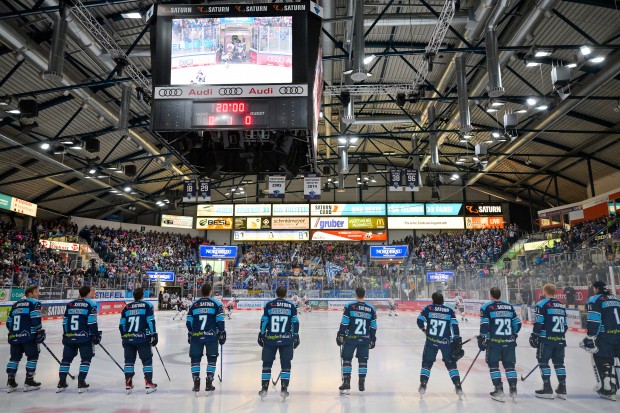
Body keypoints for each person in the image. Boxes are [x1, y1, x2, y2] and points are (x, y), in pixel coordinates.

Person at [478, 287, 522, 402]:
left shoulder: (486, 307)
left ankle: (499, 390)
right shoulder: (509, 307)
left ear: (491, 295)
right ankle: (513, 389)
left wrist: (482, 338)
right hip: (509, 342)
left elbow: (485, 325)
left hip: (494, 343)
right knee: (509, 366)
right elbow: (518, 323)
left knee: (493, 365)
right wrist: (514, 334)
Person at [416, 292, 463, 396]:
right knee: (451, 364)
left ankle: (423, 384)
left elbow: (419, 320)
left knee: (427, 363)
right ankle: (458, 385)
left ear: (433, 300)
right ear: (443, 300)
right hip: (446, 342)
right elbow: (454, 326)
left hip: (431, 341)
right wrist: (456, 339)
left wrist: (424, 330)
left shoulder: (428, 309)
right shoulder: (449, 311)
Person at [257, 286, 300, 400]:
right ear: (286, 294)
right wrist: (295, 335)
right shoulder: (291, 306)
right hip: (286, 339)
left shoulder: (269, 305)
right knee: (286, 364)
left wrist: (261, 333)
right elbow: (295, 322)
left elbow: (264, 320)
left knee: (267, 364)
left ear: (276, 293)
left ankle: (264, 388)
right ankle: (284, 388)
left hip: (270, 339)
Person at [57, 285, 101, 393]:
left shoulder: (70, 304)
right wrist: (96, 335)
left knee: (66, 360)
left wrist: (65, 334)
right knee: (86, 359)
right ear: (88, 293)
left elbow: (65, 322)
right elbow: (91, 322)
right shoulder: (91, 304)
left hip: (70, 336)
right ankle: (81, 382)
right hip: (84, 337)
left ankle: (61, 382)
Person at [581, 280, 620, 401]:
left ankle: (608, 389)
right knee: (617, 359)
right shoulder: (617, 299)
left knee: (602, 359)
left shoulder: (594, 299)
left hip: (604, 336)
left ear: (596, 288)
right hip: (618, 334)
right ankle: (616, 383)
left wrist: (590, 337)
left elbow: (594, 321)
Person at [337, 287, 377, 395]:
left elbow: (345, 323)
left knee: (346, 359)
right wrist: (373, 338)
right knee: (363, 361)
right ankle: (361, 383)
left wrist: (340, 334)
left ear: (356, 294)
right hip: (364, 339)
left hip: (351, 338)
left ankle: (346, 382)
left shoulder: (350, 306)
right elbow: (373, 326)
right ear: (364, 295)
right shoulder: (371, 308)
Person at [187, 284, 226, 396]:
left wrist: (191, 332)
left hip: (196, 336)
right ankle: (209, 383)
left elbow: (188, 321)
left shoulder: (194, 304)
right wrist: (222, 332)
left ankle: (196, 383)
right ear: (210, 292)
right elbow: (220, 320)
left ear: (201, 291)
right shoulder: (216, 304)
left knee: (195, 359)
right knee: (212, 359)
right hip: (211, 336)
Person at [530, 283, 567, 399]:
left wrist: (534, 335)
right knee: (559, 364)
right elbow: (565, 326)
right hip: (560, 340)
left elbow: (539, 322)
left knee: (543, 362)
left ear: (544, 291)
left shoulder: (541, 304)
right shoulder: (561, 305)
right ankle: (562, 388)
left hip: (546, 340)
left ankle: (547, 388)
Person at [5, 285, 45, 392]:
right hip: (29, 336)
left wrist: (15, 332)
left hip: (14, 336)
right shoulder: (34, 303)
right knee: (33, 356)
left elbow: (8, 323)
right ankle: (29, 381)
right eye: (36, 292)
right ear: (30, 294)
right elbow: (35, 318)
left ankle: (10, 382)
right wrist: (39, 330)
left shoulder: (15, 305)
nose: (38, 294)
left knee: (14, 358)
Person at [119, 288, 158, 394]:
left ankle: (128, 383)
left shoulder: (126, 308)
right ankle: (148, 383)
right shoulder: (147, 305)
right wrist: (154, 334)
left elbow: (121, 325)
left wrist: (124, 337)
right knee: (147, 361)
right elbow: (150, 321)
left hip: (128, 339)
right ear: (142, 296)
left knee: (129, 362)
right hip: (142, 338)